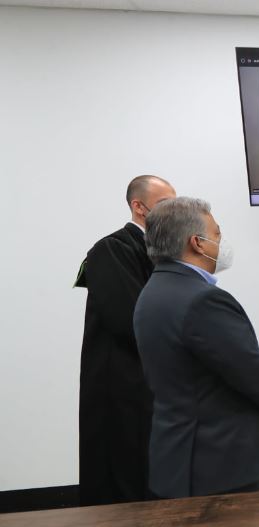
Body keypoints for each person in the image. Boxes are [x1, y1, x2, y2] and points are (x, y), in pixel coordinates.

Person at [134, 197, 259, 497]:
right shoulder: (202, 300)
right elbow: (251, 371)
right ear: (197, 243)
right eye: (217, 234)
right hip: (218, 462)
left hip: (180, 454)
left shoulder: (153, 291)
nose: (221, 242)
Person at [75, 175, 176, 505]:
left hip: (152, 380)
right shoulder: (111, 249)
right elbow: (129, 319)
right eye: (165, 204)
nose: (173, 212)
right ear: (139, 206)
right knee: (123, 469)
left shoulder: (162, 252)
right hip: (121, 382)